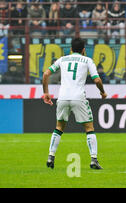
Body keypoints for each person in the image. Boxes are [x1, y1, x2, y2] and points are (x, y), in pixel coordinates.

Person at [42, 38, 107, 170]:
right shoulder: (88, 60)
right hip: (78, 97)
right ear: (84, 50)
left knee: (59, 127)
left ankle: (51, 156)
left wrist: (46, 93)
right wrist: (102, 92)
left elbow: (45, 74)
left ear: (71, 49)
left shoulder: (62, 59)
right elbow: (97, 80)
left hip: (63, 97)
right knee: (89, 128)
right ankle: (94, 159)